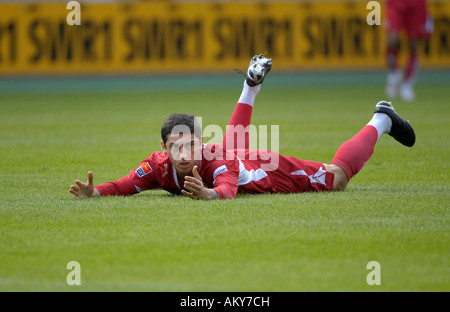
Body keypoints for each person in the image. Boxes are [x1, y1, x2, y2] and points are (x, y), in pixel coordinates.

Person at [69, 55, 416, 200]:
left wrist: (208, 195)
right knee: (232, 143)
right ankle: (251, 85)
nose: (184, 152)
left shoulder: (216, 162)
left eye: (190, 144)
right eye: (175, 146)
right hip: (234, 152)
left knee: (336, 179)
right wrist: (94, 192)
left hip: (264, 169)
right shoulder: (157, 167)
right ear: (163, 148)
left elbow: (227, 189)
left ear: (199, 143)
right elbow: (125, 184)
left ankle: (381, 119)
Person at [385, 0, 433, 101]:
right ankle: (395, 74)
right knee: (392, 40)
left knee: (414, 44)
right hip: (396, 3)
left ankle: (407, 85)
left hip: (416, 4)